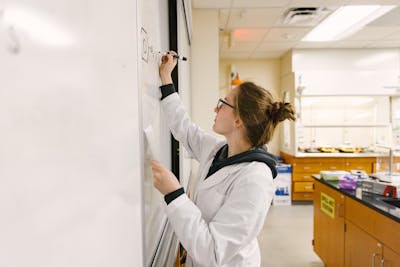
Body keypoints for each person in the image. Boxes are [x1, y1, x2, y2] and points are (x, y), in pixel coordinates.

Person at [150, 51, 295, 267]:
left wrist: (175, 195)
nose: (216, 108)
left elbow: (214, 254)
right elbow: (186, 130)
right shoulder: (220, 150)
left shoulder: (255, 180)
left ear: (239, 120)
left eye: (223, 103)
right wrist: (166, 79)